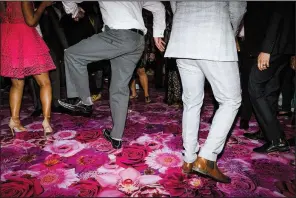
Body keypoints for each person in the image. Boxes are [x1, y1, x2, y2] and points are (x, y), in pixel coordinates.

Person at [58, 1, 166, 149]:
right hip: (137, 41)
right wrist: (158, 33)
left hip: (117, 35)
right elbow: (159, 6)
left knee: (72, 55)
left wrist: (74, 10)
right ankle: (116, 136)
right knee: (119, 89)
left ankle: (82, 100)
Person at [165, 1, 246, 183]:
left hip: (183, 39)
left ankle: (189, 159)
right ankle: (207, 158)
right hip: (214, 35)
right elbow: (238, 7)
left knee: (191, 102)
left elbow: (174, 5)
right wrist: (229, 32)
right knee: (231, 100)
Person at [243, 2, 295, 153]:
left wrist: (266, 49)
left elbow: (277, 15)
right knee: (270, 90)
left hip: (274, 46)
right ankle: (266, 132)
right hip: (284, 46)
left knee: (254, 87)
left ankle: (276, 138)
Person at [0, 1, 55, 136]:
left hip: (7, 36)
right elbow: (31, 21)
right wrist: (43, 5)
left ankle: (14, 120)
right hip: (24, 37)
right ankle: (46, 122)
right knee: (45, 82)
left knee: (17, 84)